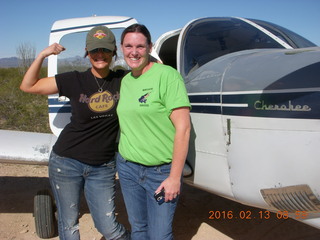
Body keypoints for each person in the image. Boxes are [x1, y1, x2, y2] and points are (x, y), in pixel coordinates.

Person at [20, 26, 130, 240]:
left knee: (109, 228)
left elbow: (155, 73)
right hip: (66, 162)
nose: (100, 55)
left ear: (114, 52)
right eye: (95, 50)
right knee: (69, 225)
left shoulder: (123, 79)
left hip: (103, 166)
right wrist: (43, 54)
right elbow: (28, 85)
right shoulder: (73, 80)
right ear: (87, 52)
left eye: (106, 50)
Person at [116, 24, 191, 240]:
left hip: (160, 174)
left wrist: (175, 177)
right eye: (128, 46)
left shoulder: (167, 76)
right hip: (129, 170)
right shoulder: (125, 81)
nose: (134, 52)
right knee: (138, 228)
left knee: (160, 234)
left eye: (140, 46)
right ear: (122, 48)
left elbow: (183, 129)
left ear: (149, 47)